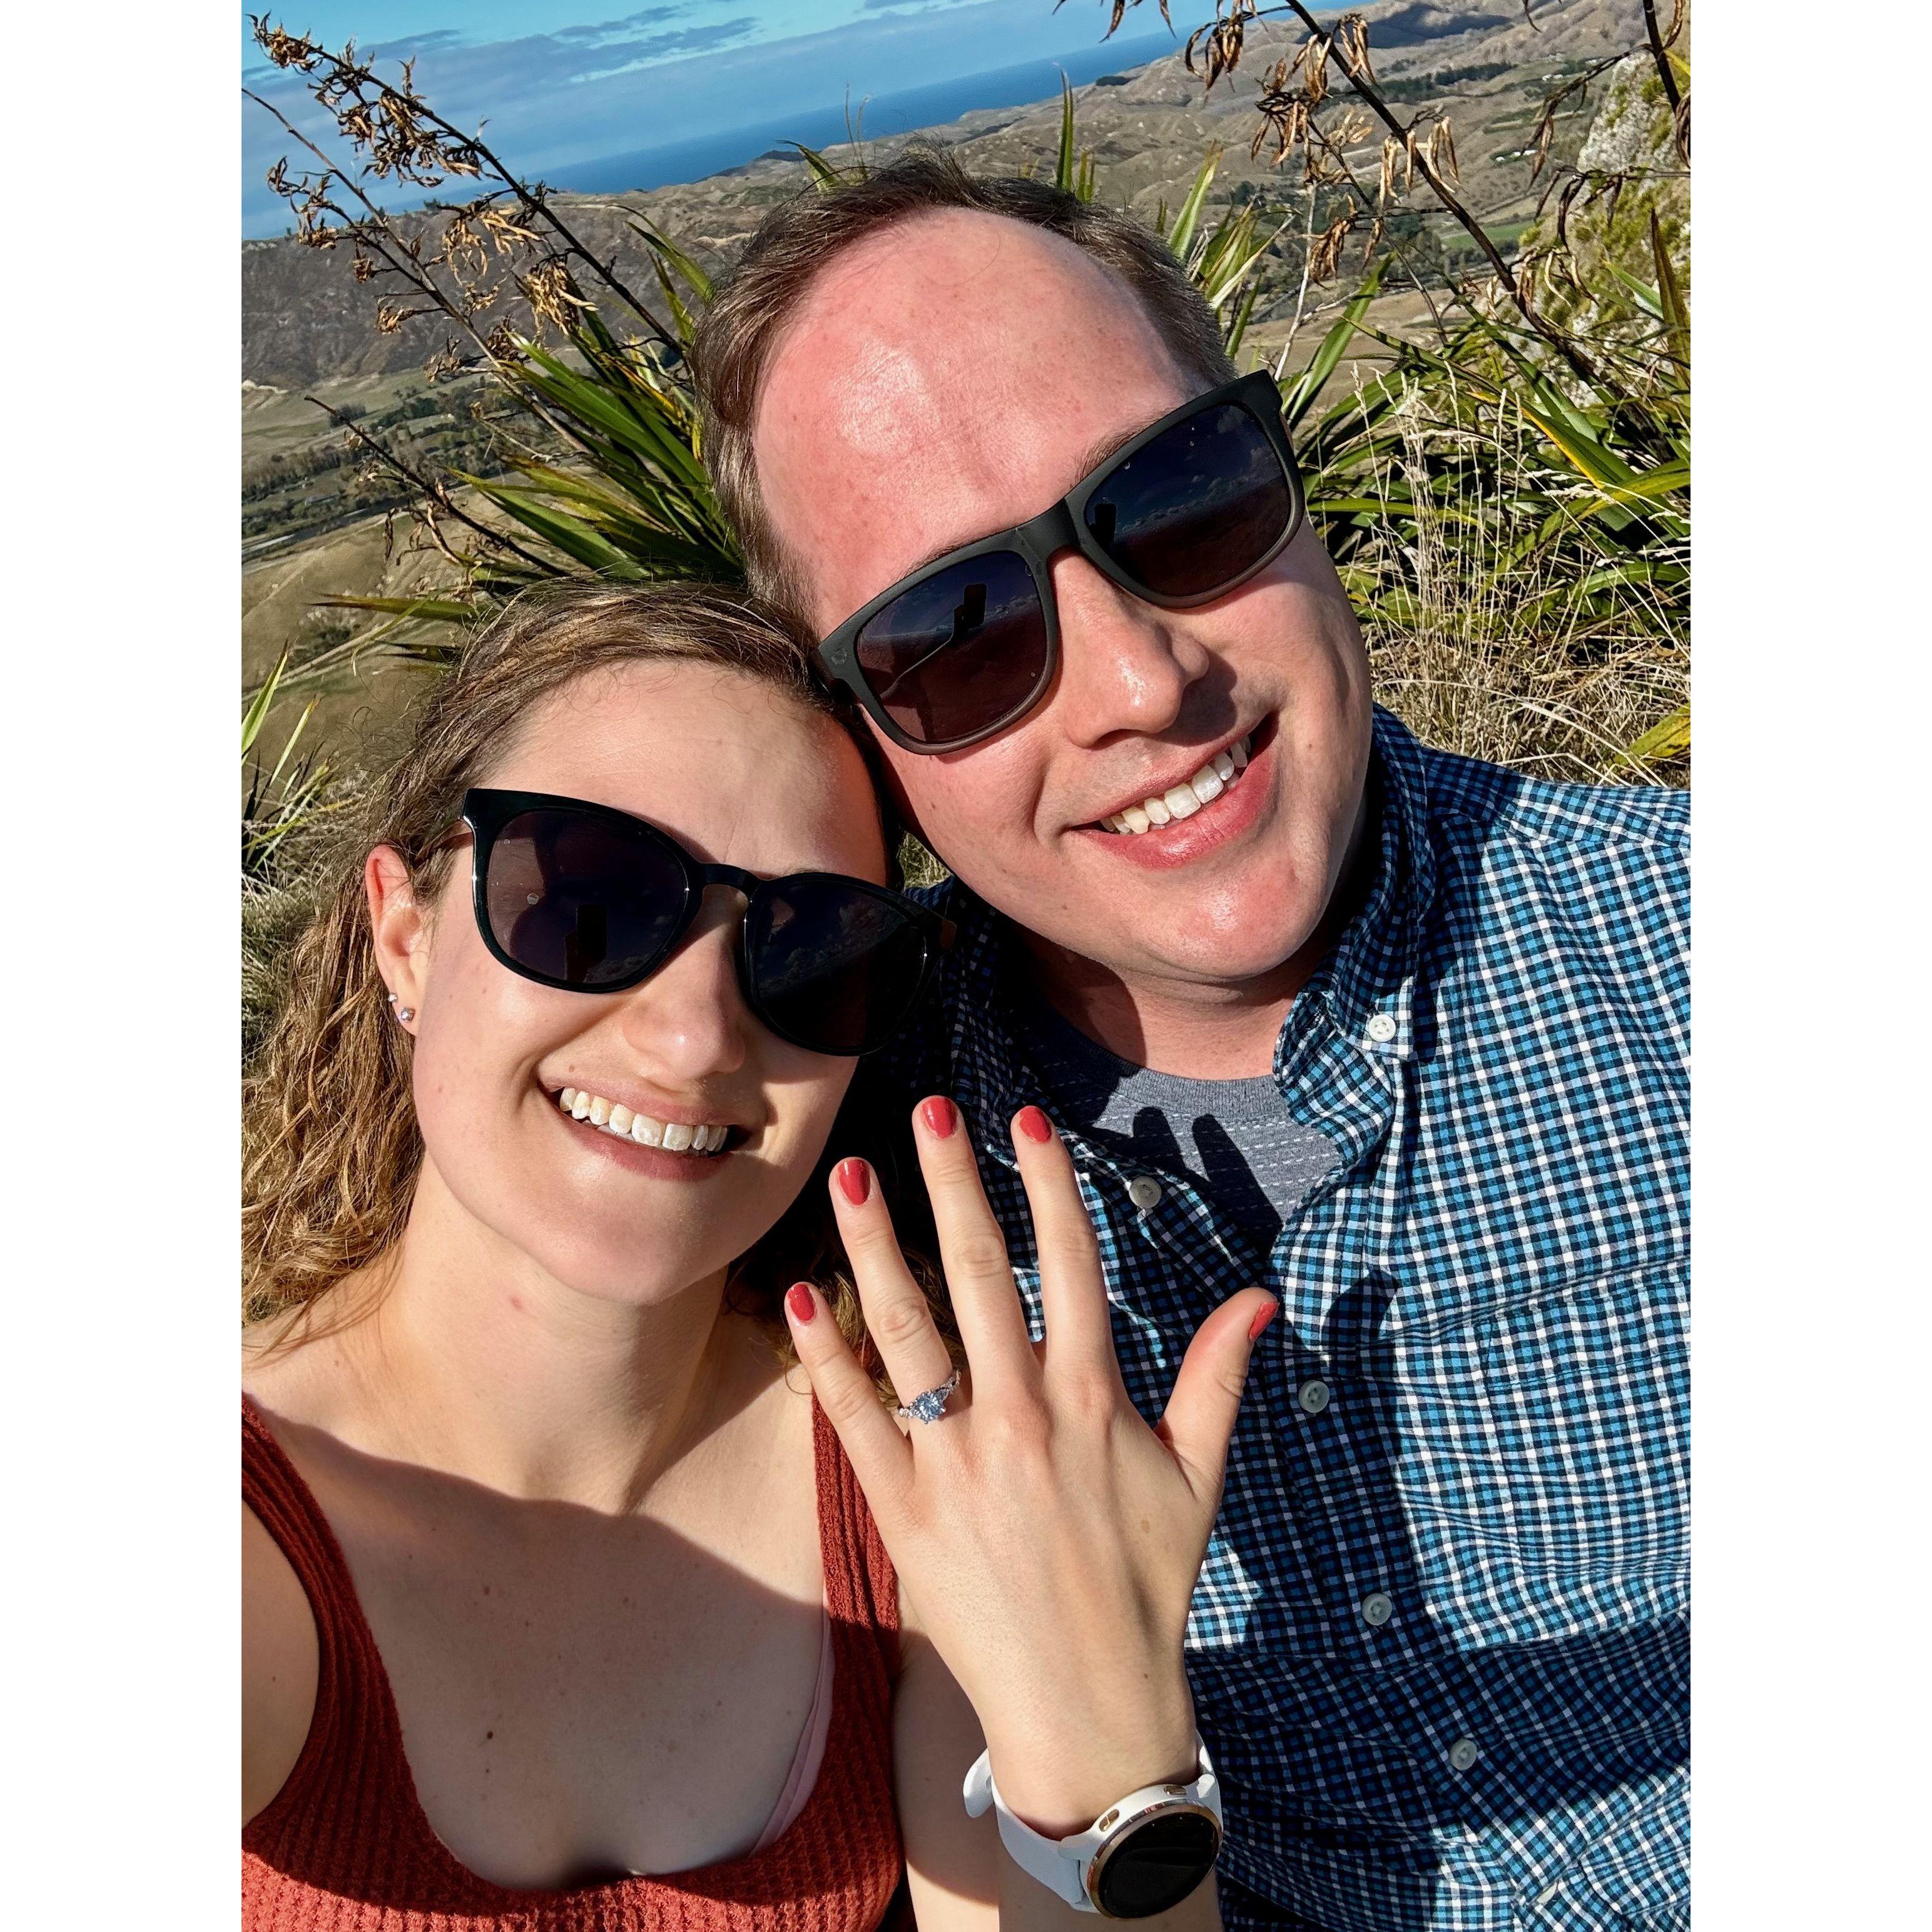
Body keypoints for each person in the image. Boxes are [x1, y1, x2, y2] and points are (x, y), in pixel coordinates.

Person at [688, 153, 1690, 1932]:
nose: (1141, 683)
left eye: (1184, 498)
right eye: (953, 633)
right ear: (861, 741)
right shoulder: (804, 1156)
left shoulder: (1691, 956)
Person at [242, 580, 1276, 1932]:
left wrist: (1102, 1741)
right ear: (407, 933)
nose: (696, 1037)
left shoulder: (918, 1484)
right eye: (590, 901)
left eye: (813, 948)